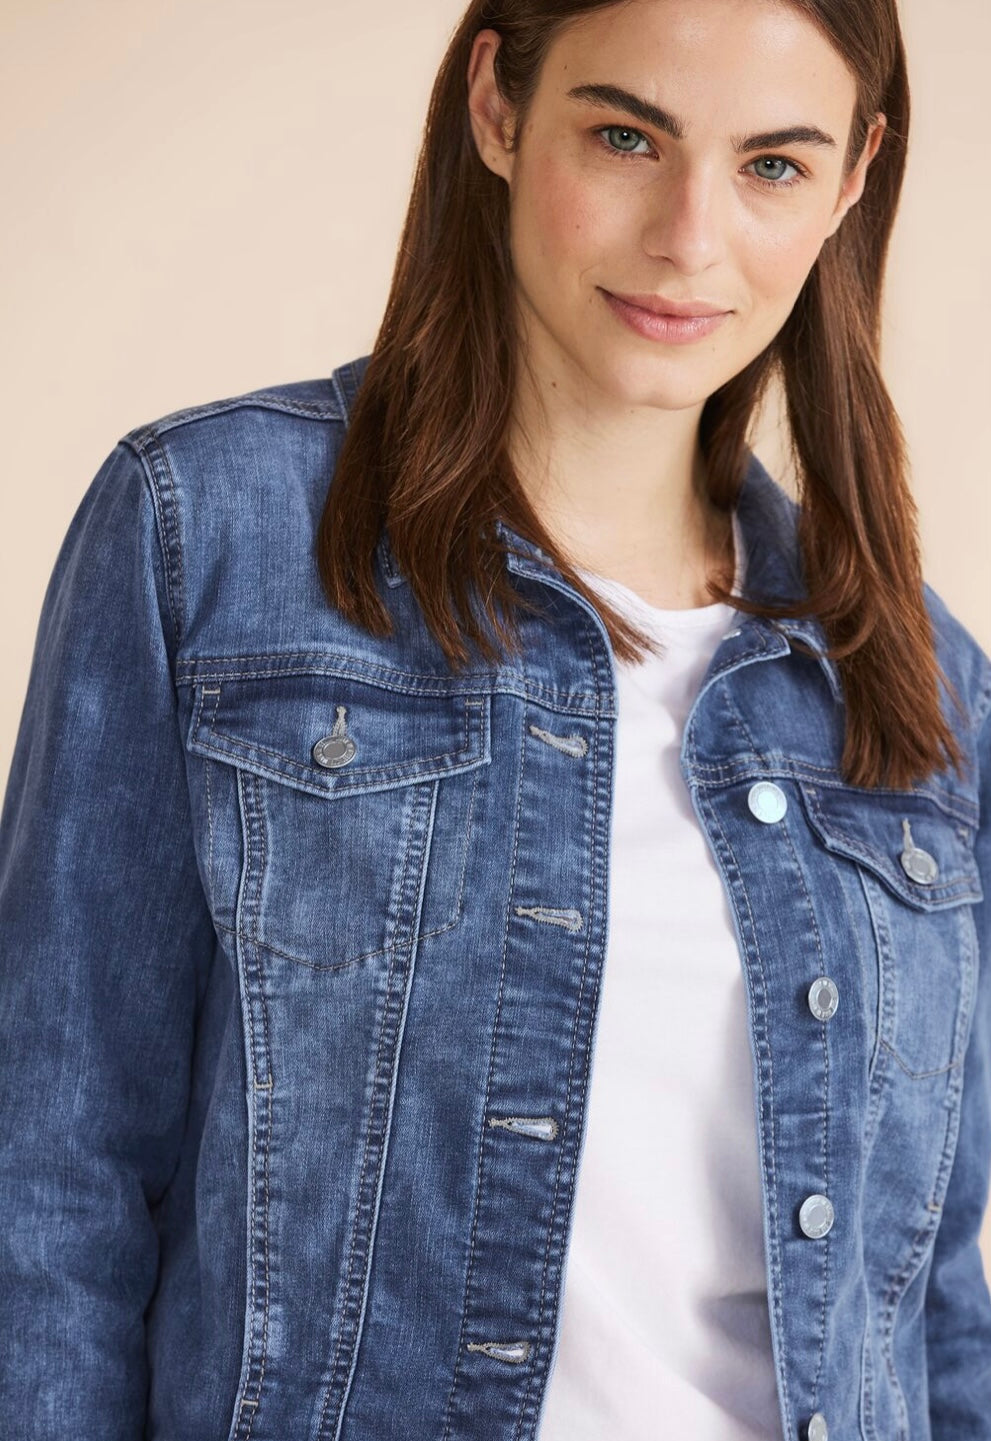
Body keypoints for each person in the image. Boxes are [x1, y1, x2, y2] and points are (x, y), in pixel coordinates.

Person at [1, 0, 988, 1437]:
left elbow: (929, 1306)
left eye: (772, 165)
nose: (689, 237)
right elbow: (49, 1183)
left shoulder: (920, 683)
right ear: (497, 106)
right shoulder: (208, 538)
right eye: (627, 137)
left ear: (853, 181)